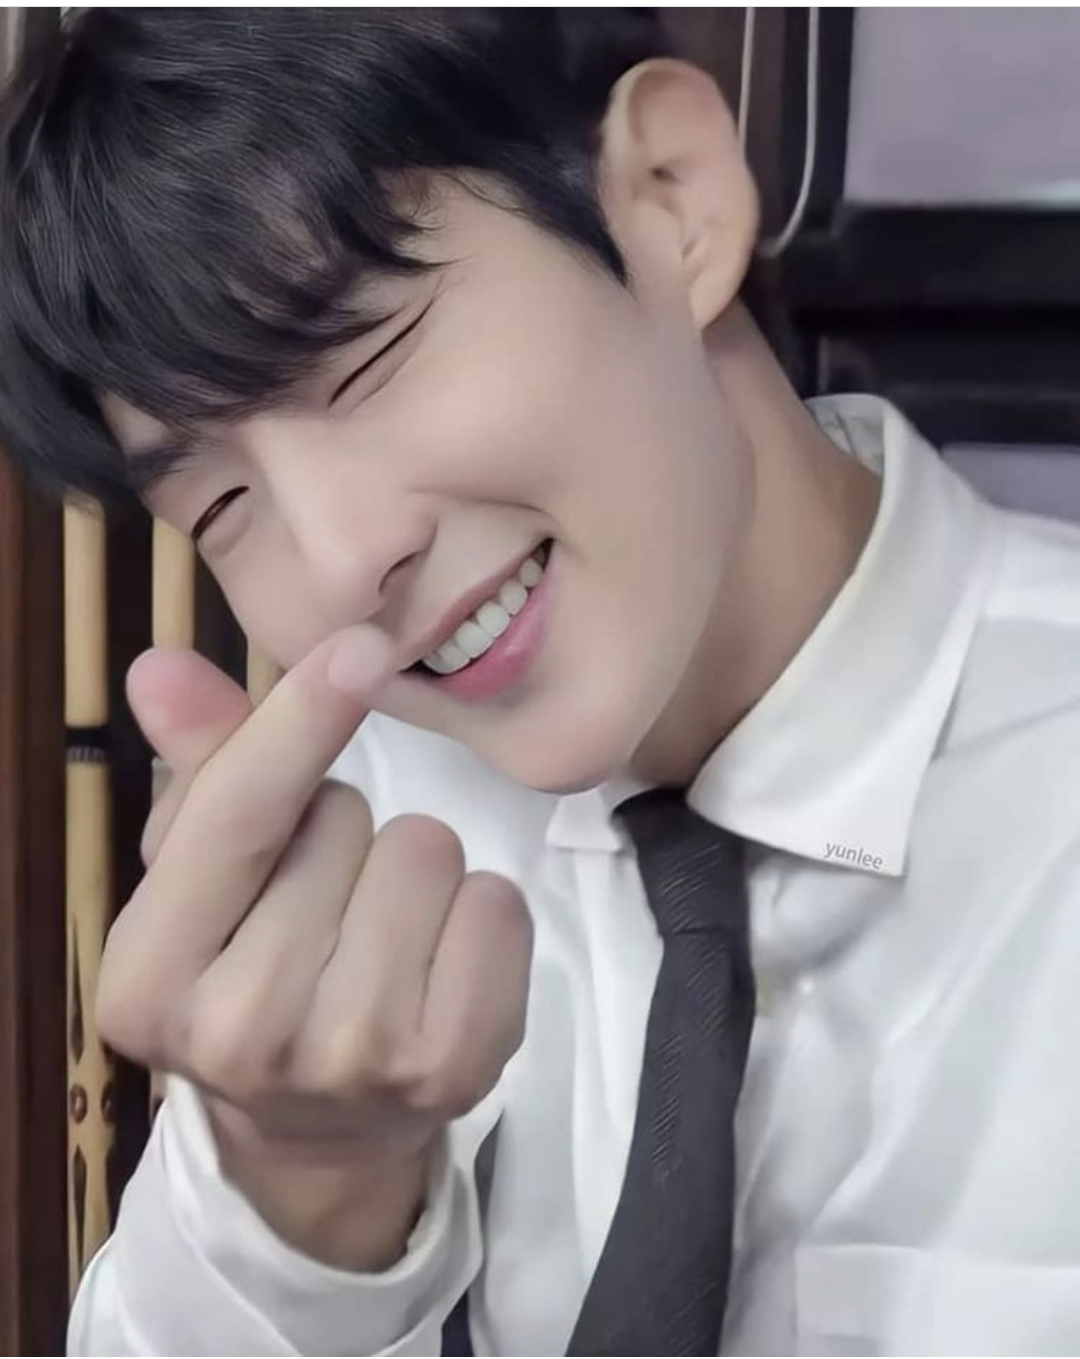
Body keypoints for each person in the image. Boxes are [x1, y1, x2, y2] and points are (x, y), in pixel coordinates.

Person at [4, 8, 1080, 1355]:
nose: (340, 561)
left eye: (369, 358)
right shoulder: (358, 848)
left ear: (671, 202)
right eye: (221, 508)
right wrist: (302, 1202)